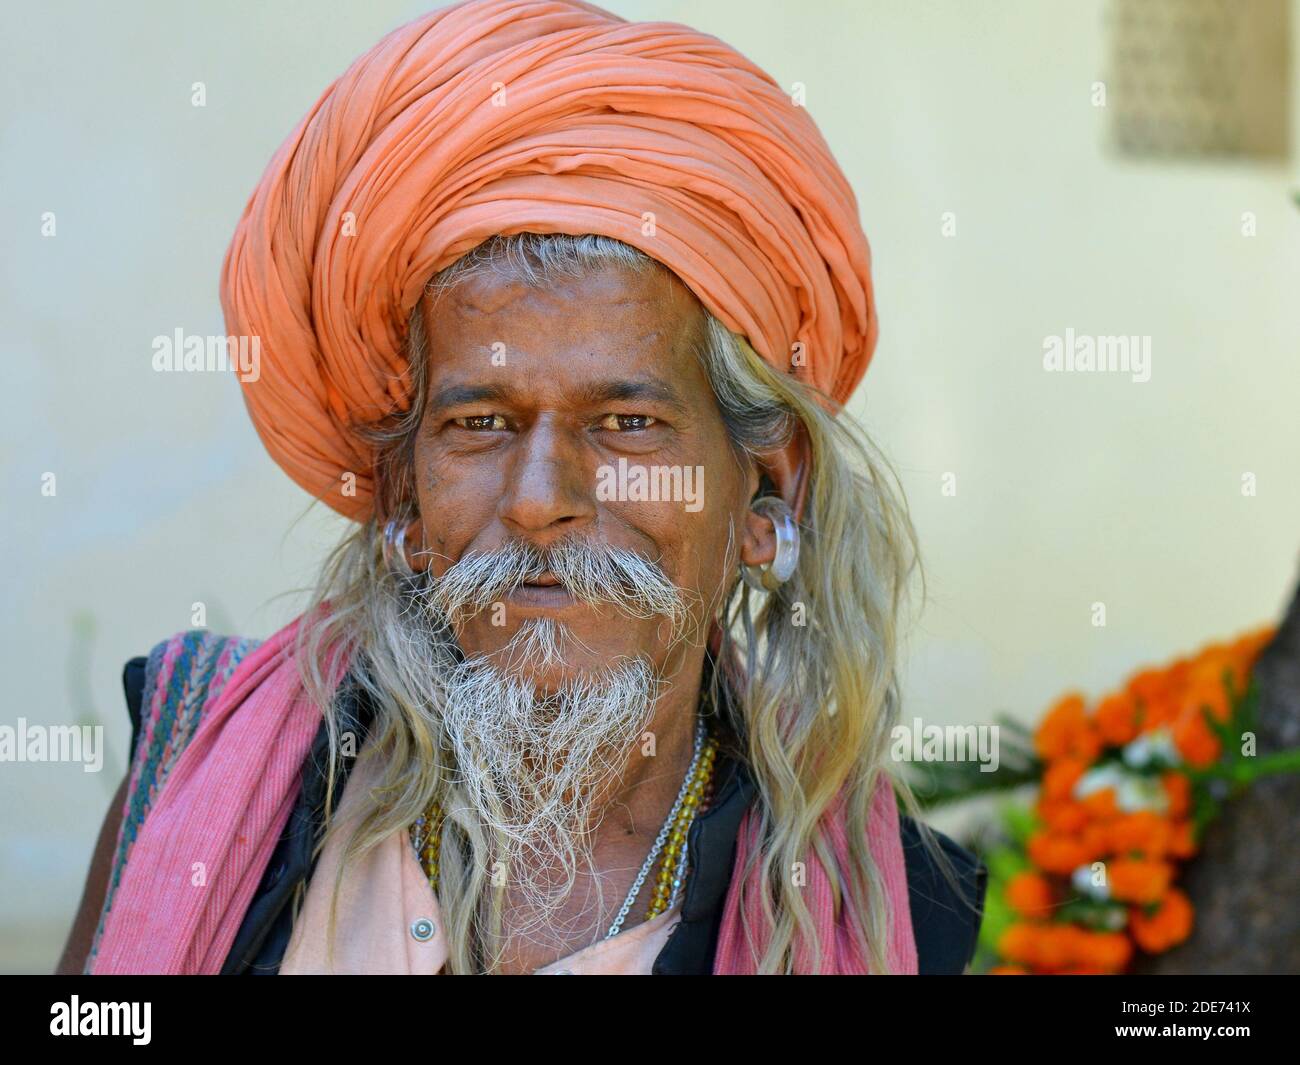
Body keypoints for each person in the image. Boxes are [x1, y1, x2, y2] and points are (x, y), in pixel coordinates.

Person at [59, 0, 984, 975]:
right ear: (404, 502)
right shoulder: (203, 771)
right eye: (481, 425)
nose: (541, 499)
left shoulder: (896, 916)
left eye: (627, 423)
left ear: (767, 495)